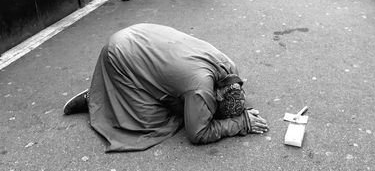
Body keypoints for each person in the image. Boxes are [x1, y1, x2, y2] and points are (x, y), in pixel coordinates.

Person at [63, 24, 269, 152]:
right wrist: (240, 123)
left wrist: (233, 112)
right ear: (215, 95)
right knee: (151, 124)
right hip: (121, 52)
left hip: (141, 34)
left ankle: (106, 92)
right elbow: (198, 133)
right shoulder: (201, 87)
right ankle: (96, 98)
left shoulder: (230, 68)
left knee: (185, 106)